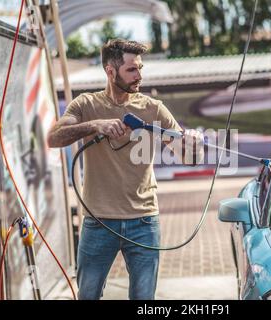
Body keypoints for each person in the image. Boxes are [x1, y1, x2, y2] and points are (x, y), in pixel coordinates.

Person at [47, 39, 204, 300]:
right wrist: (95, 125)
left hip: (144, 221)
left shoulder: (153, 108)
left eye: (140, 68)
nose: (139, 75)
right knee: (87, 295)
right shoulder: (85, 105)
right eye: (132, 69)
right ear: (110, 71)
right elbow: (54, 138)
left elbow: (186, 158)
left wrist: (193, 144)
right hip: (97, 221)